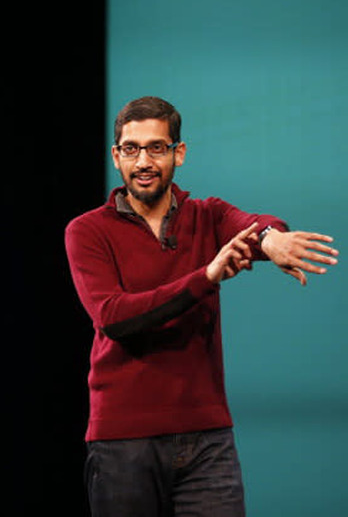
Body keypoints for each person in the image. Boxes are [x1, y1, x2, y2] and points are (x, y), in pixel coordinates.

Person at [64, 96, 339, 517]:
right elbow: (114, 317)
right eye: (132, 149)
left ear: (179, 153)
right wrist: (206, 277)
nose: (144, 161)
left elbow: (253, 225)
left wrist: (272, 239)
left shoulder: (207, 216)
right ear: (116, 156)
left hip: (207, 441)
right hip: (123, 443)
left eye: (157, 148)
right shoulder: (87, 231)